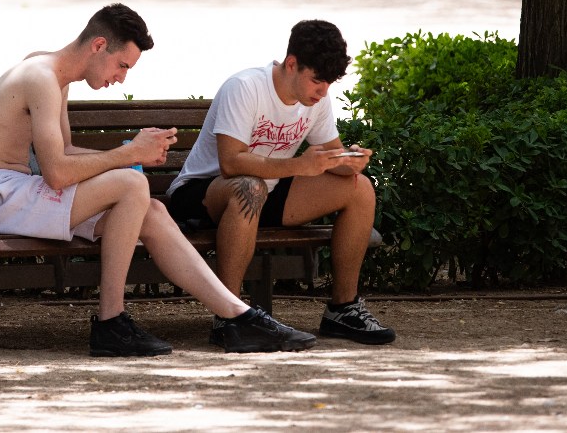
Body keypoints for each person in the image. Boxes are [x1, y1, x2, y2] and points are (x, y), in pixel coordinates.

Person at [0, 3, 316, 356]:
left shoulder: (52, 73)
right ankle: (110, 321)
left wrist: (133, 155)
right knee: (132, 185)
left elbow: (64, 151)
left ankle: (239, 317)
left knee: (153, 211)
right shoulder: (41, 77)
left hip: (14, 192)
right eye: (122, 65)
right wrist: (129, 156)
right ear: (99, 45)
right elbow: (56, 173)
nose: (121, 77)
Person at [167, 19, 396, 345]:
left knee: (359, 188)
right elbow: (231, 163)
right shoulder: (245, 87)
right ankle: (229, 317)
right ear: (292, 64)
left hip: (267, 193)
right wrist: (300, 166)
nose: (323, 91)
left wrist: (350, 161)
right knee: (250, 187)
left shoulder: (316, 101)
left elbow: (332, 157)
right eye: (318, 80)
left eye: (329, 83)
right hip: (204, 193)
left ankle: (343, 310)